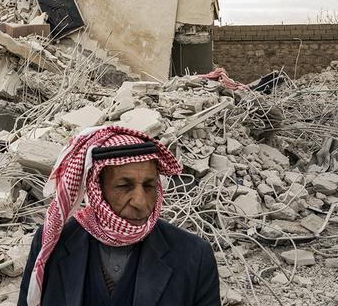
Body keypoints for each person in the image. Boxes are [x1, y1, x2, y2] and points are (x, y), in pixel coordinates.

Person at [18, 125, 220, 306]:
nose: (140, 202)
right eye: (124, 186)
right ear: (97, 189)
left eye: (149, 186)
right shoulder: (52, 244)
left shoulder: (193, 255)